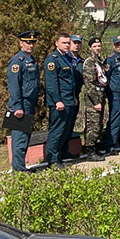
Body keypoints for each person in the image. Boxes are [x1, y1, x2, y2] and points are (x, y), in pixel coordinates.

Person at [6, 30, 40, 172]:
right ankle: (18, 170)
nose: (30, 45)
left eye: (33, 42)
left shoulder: (31, 60)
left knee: (25, 137)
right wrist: (17, 107)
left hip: (29, 103)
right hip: (21, 104)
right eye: (27, 42)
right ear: (21, 44)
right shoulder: (17, 61)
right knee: (19, 137)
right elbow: (14, 86)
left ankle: (21, 167)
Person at [43, 33, 76, 166]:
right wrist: (57, 100)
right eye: (64, 43)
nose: (67, 45)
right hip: (59, 102)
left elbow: (69, 81)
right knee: (57, 131)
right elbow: (52, 84)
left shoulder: (66, 57)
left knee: (65, 130)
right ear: (57, 43)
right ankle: (53, 159)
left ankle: (60, 155)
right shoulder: (53, 60)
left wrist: (73, 97)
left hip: (68, 99)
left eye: (68, 42)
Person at [81, 37, 108, 161]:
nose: (97, 48)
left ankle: (95, 147)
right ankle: (90, 151)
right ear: (90, 48)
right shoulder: (89, 62)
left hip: (101, 96)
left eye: (99, 46)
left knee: (99, 124)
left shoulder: (100, 61)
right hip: (93, 99)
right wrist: (96, 102)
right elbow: (89, 84)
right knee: (93, 126)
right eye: (95, 46)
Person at [104, 35, 120, 154]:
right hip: (115, 93)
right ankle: (110, 145)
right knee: (115, 119)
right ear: (114, 46)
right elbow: (105, 78)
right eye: (118, 45)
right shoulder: (110, 60)